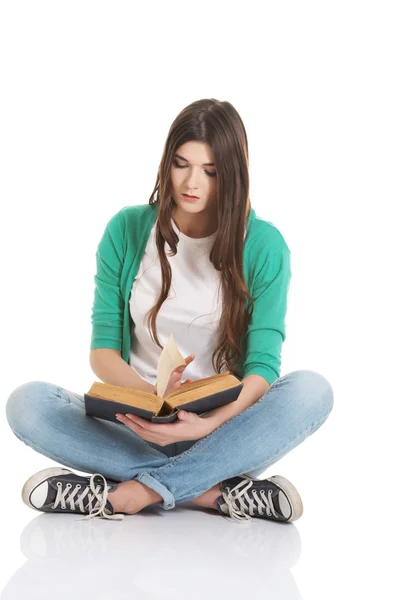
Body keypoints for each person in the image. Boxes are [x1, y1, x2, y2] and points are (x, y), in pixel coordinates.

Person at [5, 98, 334, 525]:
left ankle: (127, 492)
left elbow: (263, 365)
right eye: (181, 164)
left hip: (221, 434)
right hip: (134, 425)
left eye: (210, 171)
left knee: (313, 390)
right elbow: (103, 350)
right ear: (167, 163)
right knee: (26, 403)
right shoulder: (127, 229)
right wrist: (151, 399)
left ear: (231, 175)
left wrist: (206, 424)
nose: (191, 182)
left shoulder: (264, 245)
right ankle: (210, 493)